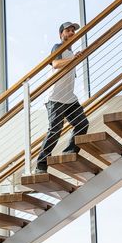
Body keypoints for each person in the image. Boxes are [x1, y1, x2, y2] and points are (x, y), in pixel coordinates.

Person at [35, 21, 90, 174]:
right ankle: (41, 164)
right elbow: (55, 63)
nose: (71, 32)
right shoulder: (58, 47)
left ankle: (69, 152)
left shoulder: (72, 53)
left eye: (73, 30)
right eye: (68, 30)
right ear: (61, 34)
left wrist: (74, 57)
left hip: (69, 98)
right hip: (55, 98)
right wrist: (72, 59)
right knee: (55, 130)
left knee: (82, 124)